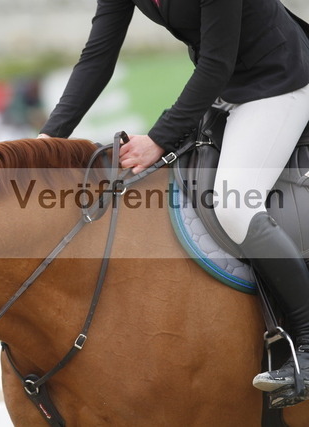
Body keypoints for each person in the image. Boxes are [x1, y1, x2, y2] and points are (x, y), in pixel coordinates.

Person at [37, 0, 309, 404]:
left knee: (234, 204)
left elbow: (216, 62)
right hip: (225, 89)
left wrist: (159, 138)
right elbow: (98, 56)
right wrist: (47, 140)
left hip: (278, 81)